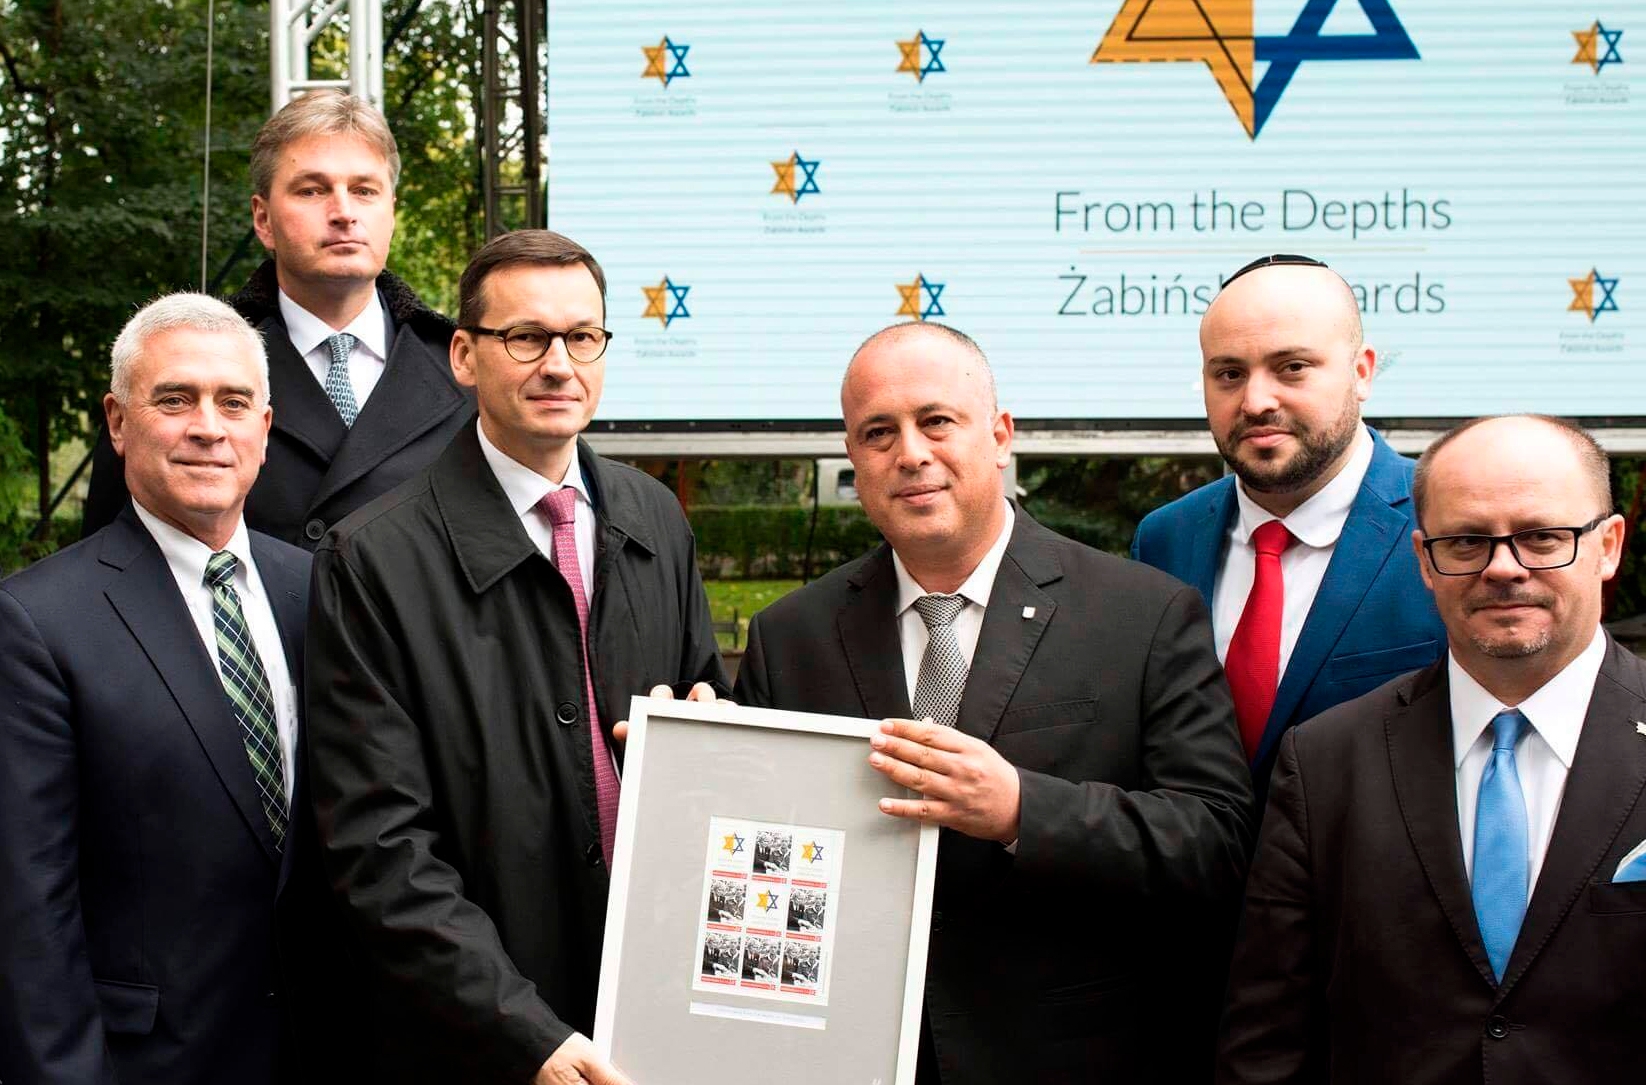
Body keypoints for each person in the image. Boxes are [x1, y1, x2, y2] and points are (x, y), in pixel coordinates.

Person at [734, 321, 1255, 1084]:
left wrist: (1020, 808)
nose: (910, 453)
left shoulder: (1141, 614)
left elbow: (1216, 841)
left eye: (936, 421)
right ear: (853, 457)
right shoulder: (791, 636)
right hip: (848, 1058)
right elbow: (759, 854)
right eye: (878, 432)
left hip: (1071, 1057)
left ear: (1001, 434)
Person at [305, 230, 727, 1085]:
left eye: (582, 337)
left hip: (655, 1009)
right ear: (464, 355)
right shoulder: (374, 560)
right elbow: (381, 850)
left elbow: (706, 702)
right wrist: (524, 1031)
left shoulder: (655, 520)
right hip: (482, 1042)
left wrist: (713, 737)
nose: (558, 364)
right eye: (525, 337)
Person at [1218, 414, 1644, 1085]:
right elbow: (1269, 1037)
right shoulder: (1327, 762)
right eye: (1467, 541)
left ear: (1609, 544)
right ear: (1424, 558)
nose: (1504, 568)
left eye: (1541, 536)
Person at [0, 294, 352, 1084]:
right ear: (118, 422)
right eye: (174, 398)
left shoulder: (323, 590)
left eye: (233, 402)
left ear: (265, 428)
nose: (207, 425)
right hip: (152, 1062)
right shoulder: (34, 623)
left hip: (325, 1048)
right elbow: (29, 912)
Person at [84, 90, 473, 549]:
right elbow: (107, 559)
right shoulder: (180, 359)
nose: (344, 213)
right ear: (263, 219)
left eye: (364, 191)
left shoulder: (464, 369)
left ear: (391, 212)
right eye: (312, 190)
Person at [1133, 255, 1443, 796]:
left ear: (1362, 371)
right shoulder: (1164, 539)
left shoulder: (1446, 528)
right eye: (1229, 374)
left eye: (1292, 367)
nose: (1256, 402)